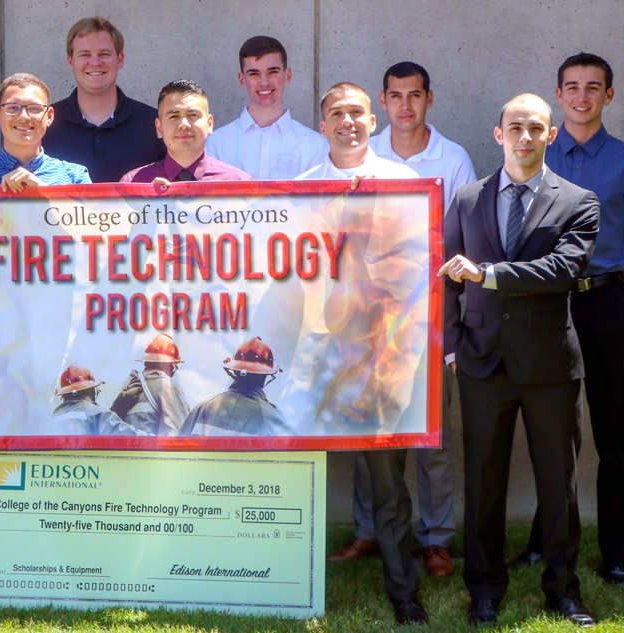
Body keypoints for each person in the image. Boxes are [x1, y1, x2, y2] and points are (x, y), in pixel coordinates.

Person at [512, 53, 624, 586]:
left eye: (593, 87)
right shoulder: (535, 153)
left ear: (608, 96)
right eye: (572, 87)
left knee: (613, 431)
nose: (581, 97)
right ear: (558, 95)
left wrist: (614, 281)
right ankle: (545, 542)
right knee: (553, 430)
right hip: (547, 305)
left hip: (605, 307)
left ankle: (617, 554)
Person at [438, 93, 599, 626]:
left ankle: (563, 589)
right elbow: (446, 285)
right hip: (481, 362)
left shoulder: (579, 201)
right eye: (515, 127)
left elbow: (561, 269)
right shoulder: (465, 199)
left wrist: (487, 274)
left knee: (560, 484)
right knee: (483, 482)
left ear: (551, 135)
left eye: (535, 128)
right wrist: (453, 345)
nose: (525, 137)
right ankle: (484, 589)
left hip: (550, 366)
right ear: (498, 134)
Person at [330, 61, 477, 576]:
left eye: (415, 96)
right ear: (382, 105)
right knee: (369, 434)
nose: (406, 106)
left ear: (428, 99)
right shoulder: (355, 161)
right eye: (396, 96)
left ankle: (435, 539)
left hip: (426, 317)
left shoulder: (449, 159)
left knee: (429, 432)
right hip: (359, 324)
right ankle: (369, 531)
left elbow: (456, 238)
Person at [298, 82, 428, 626]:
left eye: (356, 113)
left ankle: (404, 594)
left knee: (387, 477)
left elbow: (419, 269)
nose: (347, 121)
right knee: (296, 463)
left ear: (372, 121)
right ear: (322, 124)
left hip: (381, 351)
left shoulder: (407, 185)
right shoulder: (298, 188)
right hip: (315, 349)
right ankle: (280, 583)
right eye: (336, 114)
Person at [41, 16, 165, 182]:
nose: (95, 62)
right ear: (71, 61)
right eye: (85, 54)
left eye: (104, 54)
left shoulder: (154, 123)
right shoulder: (45, 124)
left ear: (119, 60)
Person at [206, 36, 326, 179]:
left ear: (287, 75)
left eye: (272, 72)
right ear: (242, 79)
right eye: (254, 74)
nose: (264, 82)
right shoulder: (215, 145)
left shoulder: (316, 146)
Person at [0, 73, 90, 188]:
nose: (23, 117)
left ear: (49, 116)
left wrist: (45, 194)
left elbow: (92, 222)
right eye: (12, 108)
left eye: (34, 108)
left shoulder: (75, 177)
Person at [120, 79, 252, 183]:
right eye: (174, 116)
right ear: (159, 128)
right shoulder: (134, 184)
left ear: (209, 123)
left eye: (193, 115)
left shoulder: (238, 184)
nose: (184, 124)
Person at [179, 337, 290, 437]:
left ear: (234, 371)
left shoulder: (204, 408)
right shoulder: (270, 417)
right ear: (266, 375)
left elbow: (177, 449)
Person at [110, 333, 191, 436]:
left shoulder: (128, 386)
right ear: (169, 365)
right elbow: (180, 435)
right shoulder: (167, 386)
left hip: (129, 450)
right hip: (155, 451)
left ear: (146, 362)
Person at [52, 364, 144, 436]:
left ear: (64, 394)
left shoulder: (56, 415)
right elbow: (129, 436)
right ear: (91, 391)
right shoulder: (96, 413)